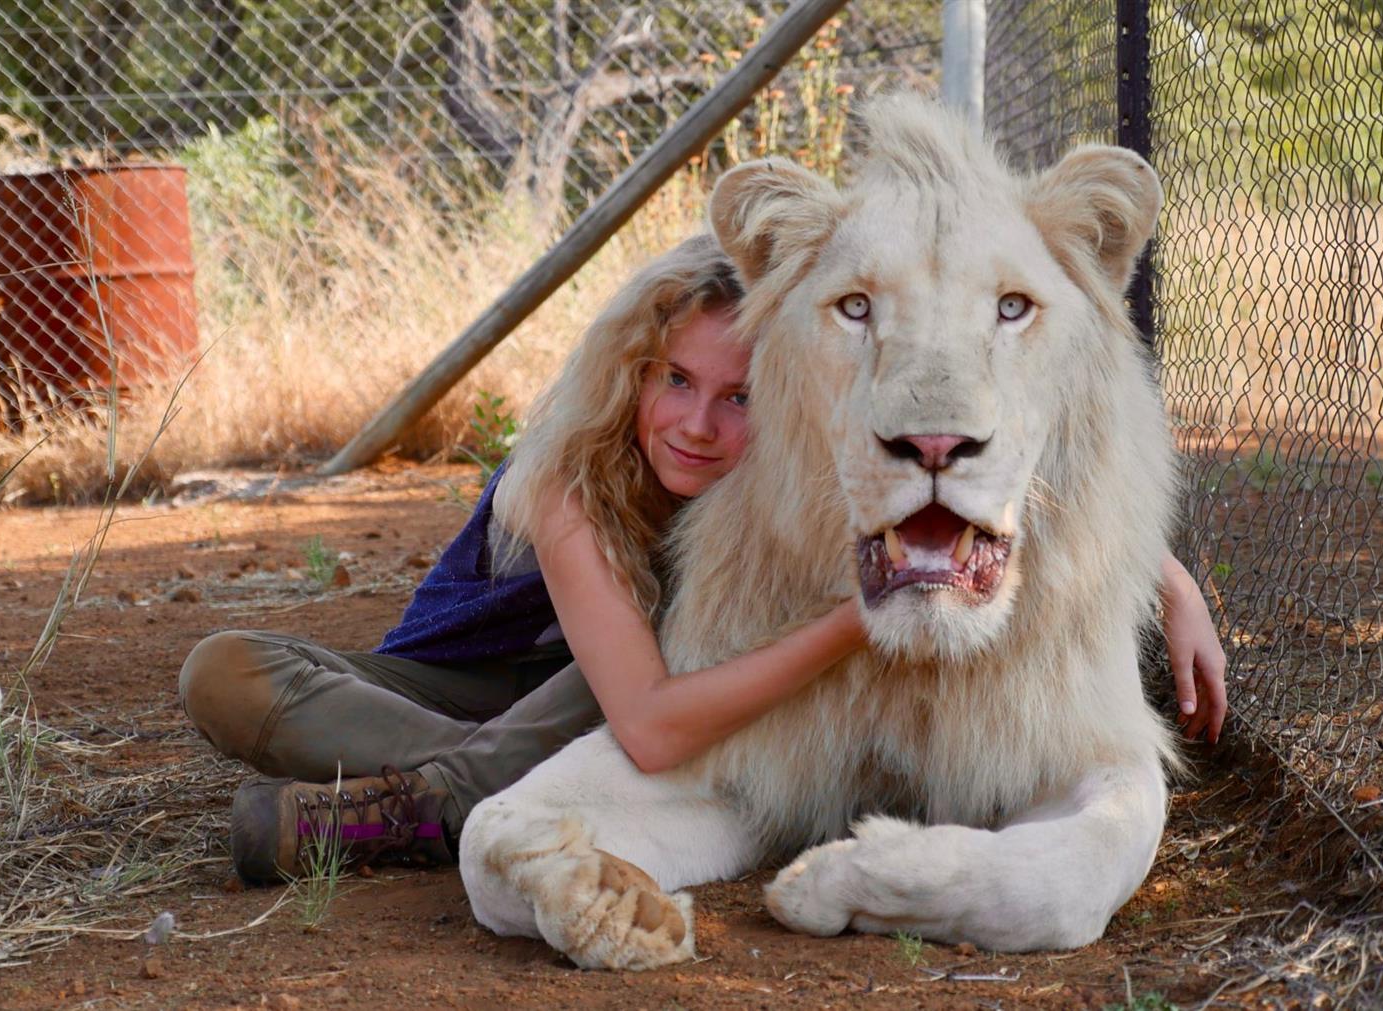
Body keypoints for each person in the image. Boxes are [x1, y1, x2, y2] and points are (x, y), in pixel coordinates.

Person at [177, 234, 1229, 885]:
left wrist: (1165, 578)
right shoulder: (565, 482)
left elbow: (959, 498)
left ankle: (427, 801)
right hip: (508, 682)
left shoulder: (797, 466)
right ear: (634, 371)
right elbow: (647, 721)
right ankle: (450, 797)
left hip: (648, 690)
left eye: (740, 398)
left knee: (652, 665)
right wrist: (853, 618)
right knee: (224, 671)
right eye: (675, 380)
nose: (696, 424)